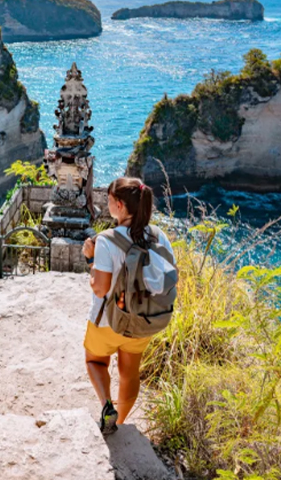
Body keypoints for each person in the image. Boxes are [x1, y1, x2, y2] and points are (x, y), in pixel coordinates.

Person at [82, 177, 175, 435]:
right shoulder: (160, 236)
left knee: (95, 361)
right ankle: (120, 424)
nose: (107, 204)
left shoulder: (107, 240)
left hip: (108, 321)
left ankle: (106, 406)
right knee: (129, 372)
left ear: (120, 205)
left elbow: (100, 288)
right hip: (144, 319)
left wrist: (90, 260)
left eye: (109, 201)